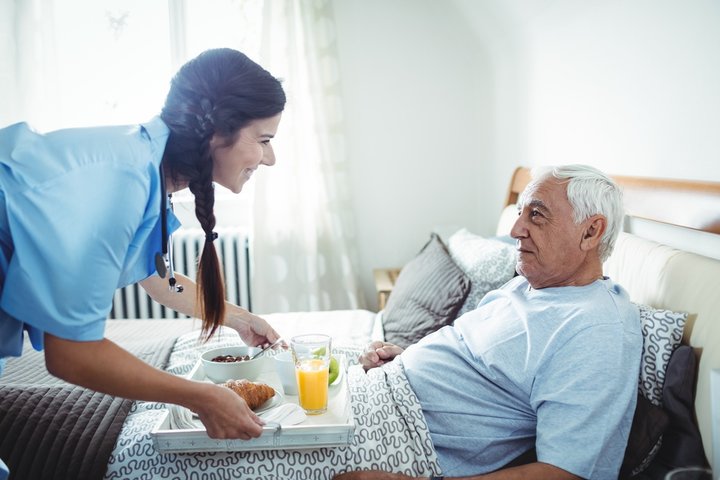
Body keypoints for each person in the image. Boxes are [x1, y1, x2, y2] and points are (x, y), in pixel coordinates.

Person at [0, 47, 285, 470]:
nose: (270, 158)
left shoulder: (150, 170)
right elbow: (71, 355)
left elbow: (159, 281)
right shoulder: (119, 179)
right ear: (218, 132)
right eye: (263, 141)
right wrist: (202, 396)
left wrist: (240, 319)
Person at [334, 165, 643, 480]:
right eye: (520, 213)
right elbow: (478, 364)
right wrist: (408, 359)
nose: (516, 230)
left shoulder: (596, 329)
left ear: (591, 231)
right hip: (379, 390)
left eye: (536, 215)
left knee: (281, 450)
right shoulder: (528, 284)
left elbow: (566, 472)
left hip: (398, 436)